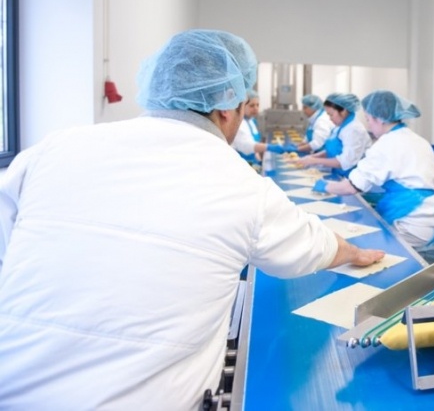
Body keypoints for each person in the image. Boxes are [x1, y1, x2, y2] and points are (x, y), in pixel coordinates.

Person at [0, 29, 384, 409]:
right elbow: (311, 247)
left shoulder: (54, 148)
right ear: (227, 106)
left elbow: (8, 246)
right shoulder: (238, 181)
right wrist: (355, 252)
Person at [313, 90, 434, 249]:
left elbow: (350, 187)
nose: (369, 126)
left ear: (379, 119)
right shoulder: (416, 139)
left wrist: (324, 186)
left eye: (368, 120)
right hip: (428, 215)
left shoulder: (387, 144)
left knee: (352, 243)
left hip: (409, 222)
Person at [295, 92, 371, 177]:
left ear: (343, 111)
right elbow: (331, 150)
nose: (330, 119)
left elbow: (346, 162)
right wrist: (313, 157)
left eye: (331, 115)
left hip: (352, 177)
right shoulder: (340, 126)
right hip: (338, 173)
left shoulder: (353, 130)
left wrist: (315, 161)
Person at [233, 90, 265, 166]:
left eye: (257, 105)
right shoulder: (239, 123)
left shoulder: (252, 121)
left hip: (252, 163)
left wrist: (259, 162)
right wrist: (269, 147)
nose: (256, 108)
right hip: (242, 164)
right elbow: (247, 146)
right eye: (252, 105)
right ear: (242, 106)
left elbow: (255, 150)